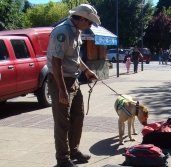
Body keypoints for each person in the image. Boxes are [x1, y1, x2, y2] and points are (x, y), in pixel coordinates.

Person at [46, 4, 100, 167]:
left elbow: (75, 58)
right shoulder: (62, 32)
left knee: (78, 116)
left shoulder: (76, 32)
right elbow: (56, 63)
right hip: (59, 81)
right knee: (63, 121)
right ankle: (62, 160)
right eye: (89, 23)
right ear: (82, 19)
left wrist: (86, 71)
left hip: (73, 80)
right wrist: (62, 90)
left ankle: (73, 151)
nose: (90, 26)